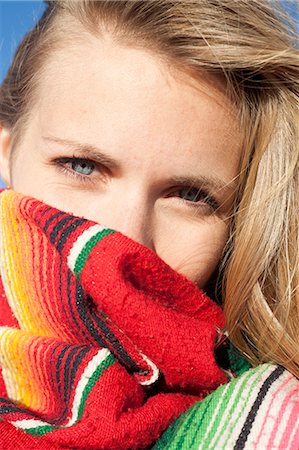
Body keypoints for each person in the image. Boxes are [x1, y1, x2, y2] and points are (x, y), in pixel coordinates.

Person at [0, 0, 298, 448]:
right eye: (82, 166)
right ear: (7, 151)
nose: (124, 237)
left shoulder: (275, 421)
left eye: (190, 195)